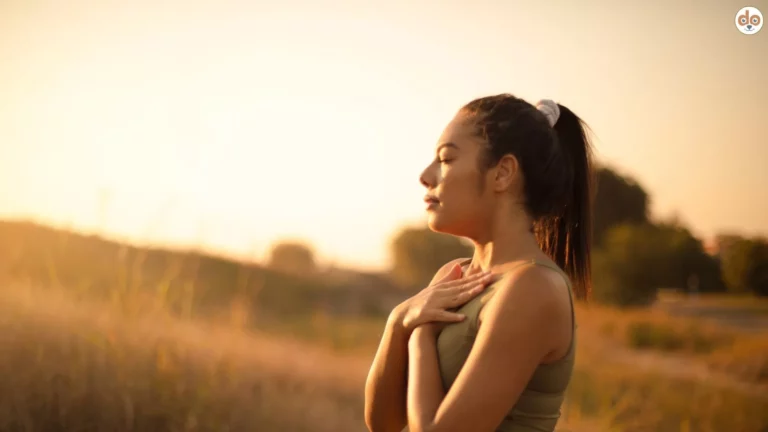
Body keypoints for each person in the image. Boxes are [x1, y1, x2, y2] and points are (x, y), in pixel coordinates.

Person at [364, 94, 594, 432]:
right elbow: (384, 424)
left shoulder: (532, 287)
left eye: (446, 159)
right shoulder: (453, 276)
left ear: (502, 173)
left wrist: (420, 334)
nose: (426, 176)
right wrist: (398, 322)